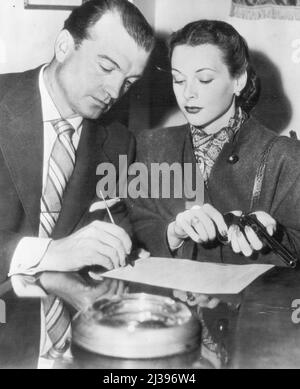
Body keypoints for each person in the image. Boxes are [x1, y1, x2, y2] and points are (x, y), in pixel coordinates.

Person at [0, 0, 154, 368]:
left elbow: (119, 221)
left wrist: (119, 245)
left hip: (77, 346)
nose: (115, 91)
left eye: (129, 82)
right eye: (106, 67)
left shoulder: (118, 142)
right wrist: (47, 255)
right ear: (65, 46)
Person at [129, 20, 300, 268]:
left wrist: (275, 236)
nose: (188, 93)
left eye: (205, 79)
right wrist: (172, 234)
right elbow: (131, 224)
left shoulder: (285, 157)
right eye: (178, 80)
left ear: (239, 81)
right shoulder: (150, 147)